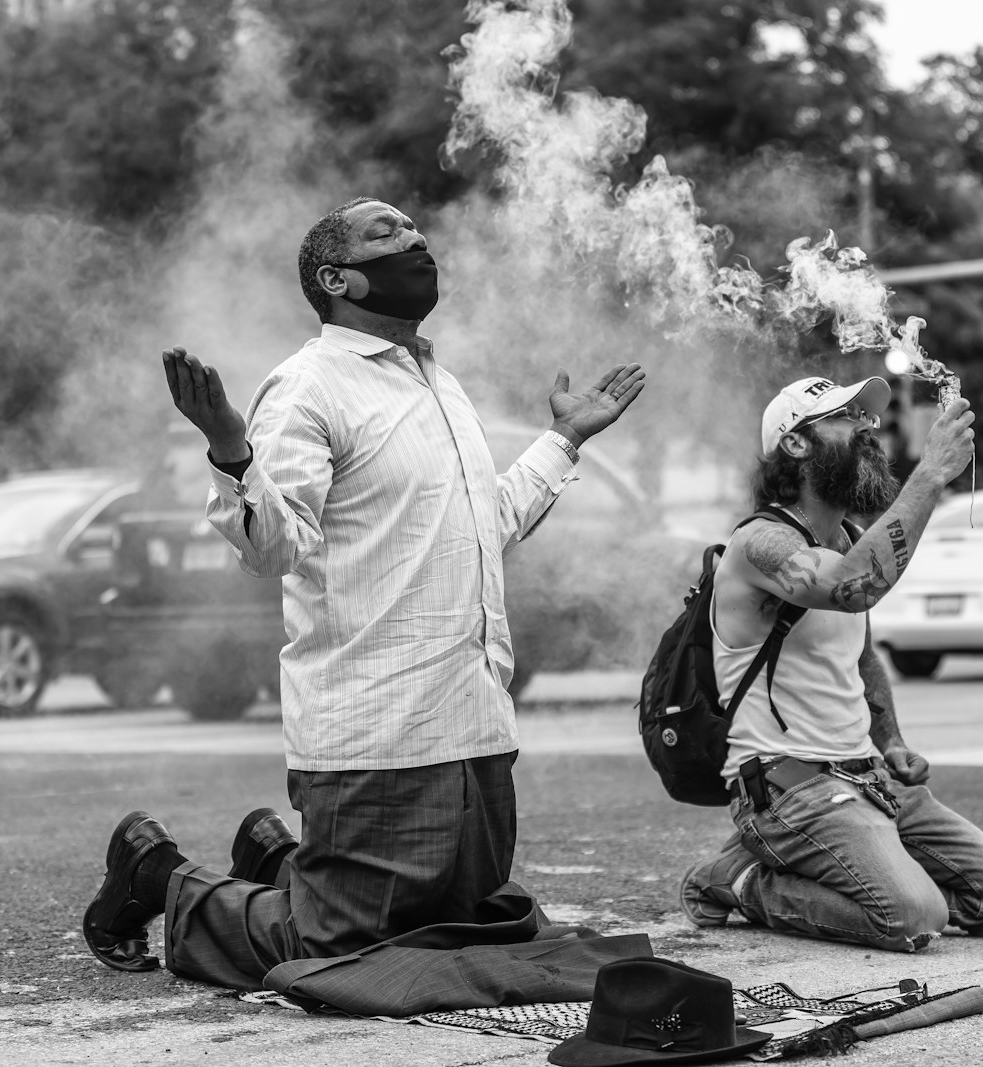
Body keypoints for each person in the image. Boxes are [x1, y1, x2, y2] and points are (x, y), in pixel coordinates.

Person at [82, 196, 647, 988]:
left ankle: (280, 861)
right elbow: (274, 547)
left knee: (460, 929)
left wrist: (566, 440)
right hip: (375, 730)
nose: (415, 238)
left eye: (416, 227)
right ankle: (156, 873)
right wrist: (230, 448)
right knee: (340, 951)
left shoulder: (439, 383)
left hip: (475, 723)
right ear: (335, 276)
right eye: (387, 232)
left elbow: (491, 520)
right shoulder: (308, 386)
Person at [680, 376, 983, 952]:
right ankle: (735, 880)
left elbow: (861, 653)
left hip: (868, 777)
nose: (870, 428)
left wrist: (891, 742)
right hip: (789, 787)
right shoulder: (760, 544)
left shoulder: (849, 536)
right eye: (848, 417)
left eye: (870, 417)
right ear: (796, 444)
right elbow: (853, 589)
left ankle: (828, 861)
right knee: (915, 917)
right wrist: (931, 474)